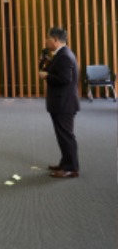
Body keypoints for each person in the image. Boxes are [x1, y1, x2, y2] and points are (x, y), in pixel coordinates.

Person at [38, 27, 80, 178]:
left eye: (47, 38)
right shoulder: (60, 54)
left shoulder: (64, 56)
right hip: (60, 102)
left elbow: (65, 79)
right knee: (62, 135)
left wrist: (46, 77)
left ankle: (71, 168)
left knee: (66, 136)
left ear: (55, 40)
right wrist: (45, 62)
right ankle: (65, 163)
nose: (45, 41)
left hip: (64, 104)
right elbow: (55, 71)